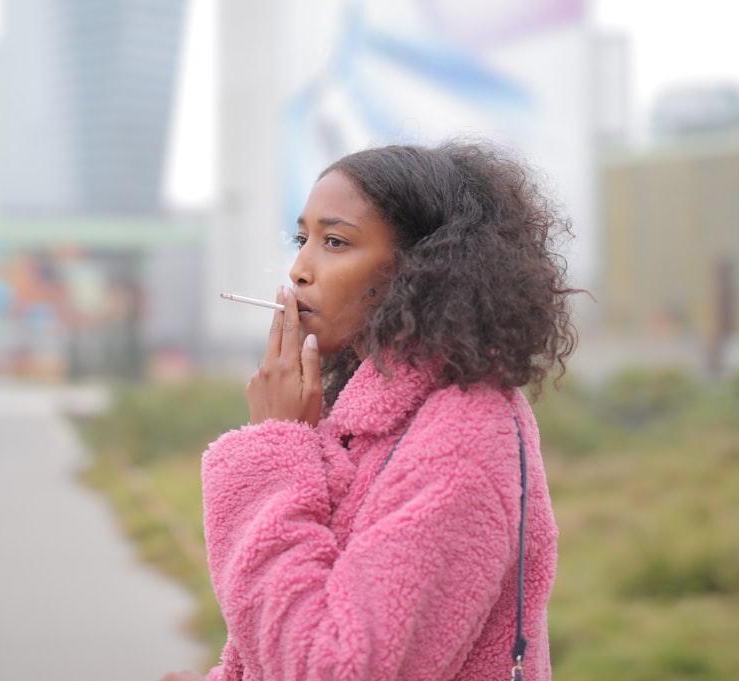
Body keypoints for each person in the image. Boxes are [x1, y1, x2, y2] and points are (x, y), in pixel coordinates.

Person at [163, 139, 577, 681]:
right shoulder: (376, 414)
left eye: (334, 241)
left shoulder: (462, 442)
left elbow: (334, 668)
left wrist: (275, 442)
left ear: (421, 270)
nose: (299, 270)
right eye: (302, 237)